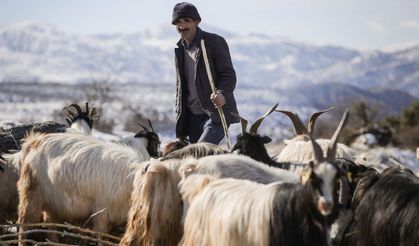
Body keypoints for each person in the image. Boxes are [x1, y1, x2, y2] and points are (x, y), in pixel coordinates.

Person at [172, 2, 239, 145]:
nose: (182, 25)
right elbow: (181, 86)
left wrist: (222, 94)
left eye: (186, 21)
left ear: (196, 21)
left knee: (199, 153)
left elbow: (228, 75)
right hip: (192, 116)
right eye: (178, 22)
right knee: (196, 164)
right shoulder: (179, 49)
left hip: (215, 113)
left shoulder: (214, 42)